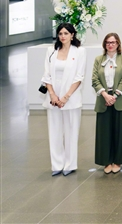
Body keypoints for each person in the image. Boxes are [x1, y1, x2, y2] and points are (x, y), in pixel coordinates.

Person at [41, 23, 87, 176]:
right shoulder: (51, 51)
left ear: (72, 35)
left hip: (71, 97)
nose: (63, 36)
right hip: (53, 98)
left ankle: (70, 164)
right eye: (60, 33)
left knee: (71, 132)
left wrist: (66, 97)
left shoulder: (79, 51)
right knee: (54, 132)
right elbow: (46, 74)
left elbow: (79, 76)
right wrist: (53, 95)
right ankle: (57, 164)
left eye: (66, 33)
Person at [92, 33, 122, 174]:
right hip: (103, 100)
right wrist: (105, 95)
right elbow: (95, 79)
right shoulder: (98, 59)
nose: (110, 45)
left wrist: (114, 96)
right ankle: (106, 161)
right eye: (108, 42)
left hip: (119, 100)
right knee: (104, 132)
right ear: (104, 44)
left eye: (113, 42)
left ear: (118, 44)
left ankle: (118, 160)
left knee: (120, 132)